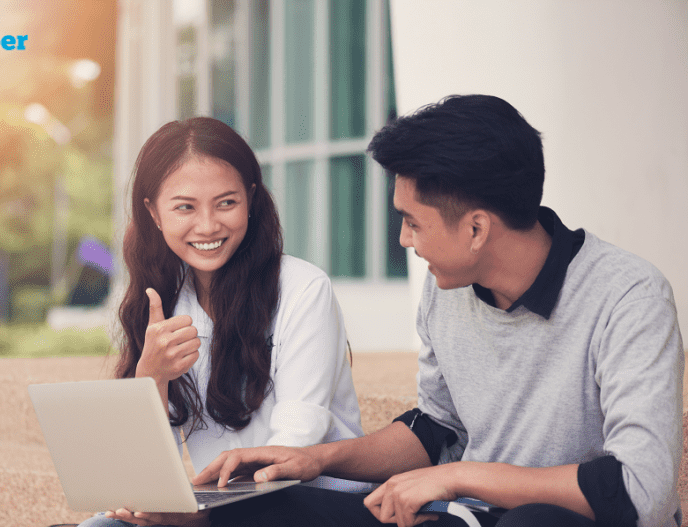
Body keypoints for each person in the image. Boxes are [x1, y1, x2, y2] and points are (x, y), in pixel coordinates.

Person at [193, 95, 685, 527]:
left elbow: (638, 491)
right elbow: (438, 429)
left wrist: (456, 477)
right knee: (256, 510)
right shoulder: (446, 286)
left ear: (476, 230)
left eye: (411, 222)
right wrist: (314, 459)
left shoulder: (629, 296)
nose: (404, 240)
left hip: (554, 520)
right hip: (461, 516)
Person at [77, 117, 369, 527]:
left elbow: (293, 443)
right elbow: (137, 467)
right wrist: (152, 376)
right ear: (154, 213)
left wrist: (199, 516)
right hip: (219, 508)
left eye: (226, 203)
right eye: (185, 207)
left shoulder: (303, 289)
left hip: (306, 506)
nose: (209, 225)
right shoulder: (164, 302)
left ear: (250, 198)